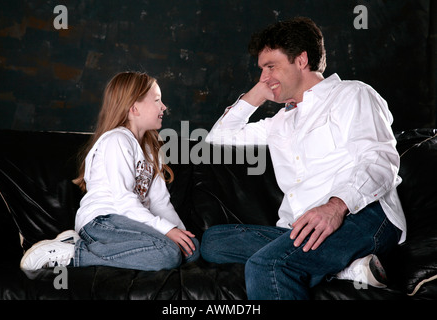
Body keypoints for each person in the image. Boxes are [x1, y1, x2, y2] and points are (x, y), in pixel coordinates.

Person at [201, 17, 406, 300]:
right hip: (302, 228)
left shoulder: (352, 94)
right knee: (213, 242)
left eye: (271, 66)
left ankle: (325, 260)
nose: (264, 76)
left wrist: (336, 207)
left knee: (268, 266)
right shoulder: (279, 122)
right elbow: (217, 141)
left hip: (361, 214)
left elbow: (380, 160)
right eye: (261, 69)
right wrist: (259, 93)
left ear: (301, 60)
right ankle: (343, 268)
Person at [20, 71, 200, 271]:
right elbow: (123, 201)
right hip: (103, 222)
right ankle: (74, 253)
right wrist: (166, 232)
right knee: (167, 255)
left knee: (191, 253)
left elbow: (160, 203)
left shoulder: (150, 149)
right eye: (157, 100)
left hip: (128, 224)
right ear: (134, 107)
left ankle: (80, 244)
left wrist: (181, 234)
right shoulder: (117, 140)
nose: (164, 107)